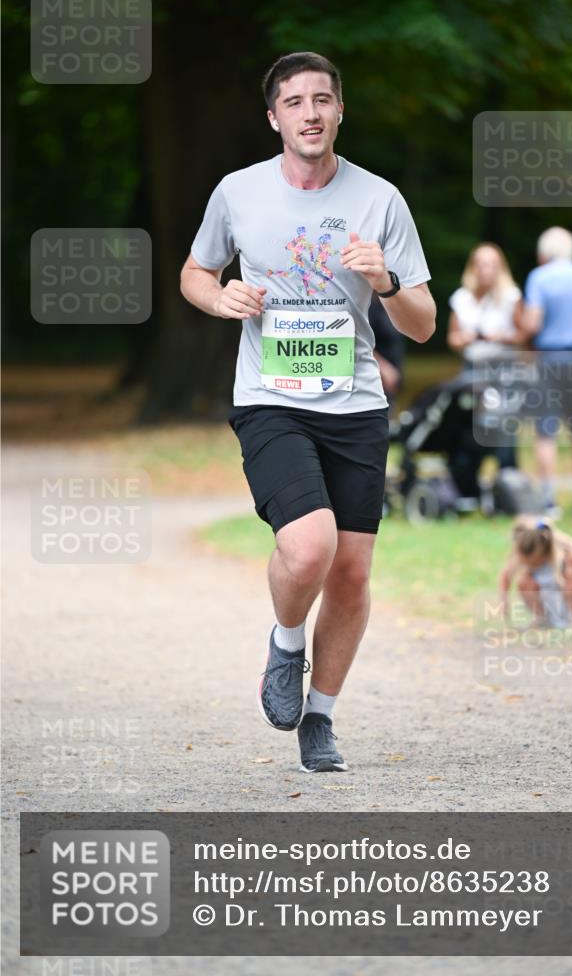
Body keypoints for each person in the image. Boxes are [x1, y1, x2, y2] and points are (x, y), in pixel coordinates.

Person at [180, 52, 435, 773]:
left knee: (351, 573)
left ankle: (319, 719)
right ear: (274, 117)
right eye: (295, 102)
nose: (311, 112)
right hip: (270, 398)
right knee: (309, 546)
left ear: (340, 111)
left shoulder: (378, 199)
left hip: (354, 403)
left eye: (323, 99)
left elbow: (420, 324)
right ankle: (286, 642)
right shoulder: (238, 193)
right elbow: (196, 271)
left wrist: (385, 281)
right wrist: (217, 296)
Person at [521, 227, 572, 518]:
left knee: (545, 431)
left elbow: (533, 323)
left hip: (549, 358)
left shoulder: (539, 278)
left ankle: (549, 500)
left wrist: (524, 335)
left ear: (544, 251)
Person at [447, 242, 524, 477]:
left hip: (503, 370)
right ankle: (468, 476)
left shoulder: (511, 297)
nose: (486, 270)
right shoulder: (461, 298)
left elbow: (523, 335)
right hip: (472, 369)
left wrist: (500, 337)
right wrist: (464, 339)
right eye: (481, 265)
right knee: (469, 422)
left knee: (503, 424)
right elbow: (452, 338)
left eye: (491, 265)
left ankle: (506, 475)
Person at [500, 516, 572, 628]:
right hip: (553, 597)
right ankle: (543, 619)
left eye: (534, 562)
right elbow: (506, 575)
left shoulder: (564, 551)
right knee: (524, 581)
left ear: (543, 552)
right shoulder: (523, 552)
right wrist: (504, 600)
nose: (530, 565)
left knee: (571, 573)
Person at [368, 292, 406, 408]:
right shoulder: (371, 309)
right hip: (377, 376)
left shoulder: (391, 307)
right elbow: (361, 341)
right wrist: (384, 369)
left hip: (394, 374)